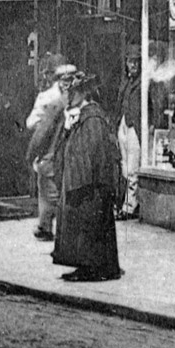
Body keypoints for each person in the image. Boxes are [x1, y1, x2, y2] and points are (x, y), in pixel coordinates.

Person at [51, 71, 124, 282]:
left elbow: (91, 154)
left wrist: (77, 183)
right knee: (88, 227)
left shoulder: (92, 118)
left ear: (82, 94)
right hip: (85, 184)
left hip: (89, 186)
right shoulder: (83, 116)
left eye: (71, 93)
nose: (67, 97)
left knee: (88, 226)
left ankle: (91, 268)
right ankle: (90, 267)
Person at [26, 62, 78, 242]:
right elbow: (33, 124)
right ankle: (46, 226)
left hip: (64, 150)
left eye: (71, 79)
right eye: (64, 80)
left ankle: (48, 227)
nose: (67, 83)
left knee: (53, 190)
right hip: (53, 148)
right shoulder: (49, 98)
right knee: (50, 190)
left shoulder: (74, 98)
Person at [113, 49, 143, 220]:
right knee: (124, 166)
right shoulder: (125, 82)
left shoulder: (142, 82)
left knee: (133, 168)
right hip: (123, 125)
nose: (133, 65)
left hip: (134, 127)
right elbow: (119, 105)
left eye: (136, 61)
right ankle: (123, 202)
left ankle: (130, 206)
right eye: (131, 61)